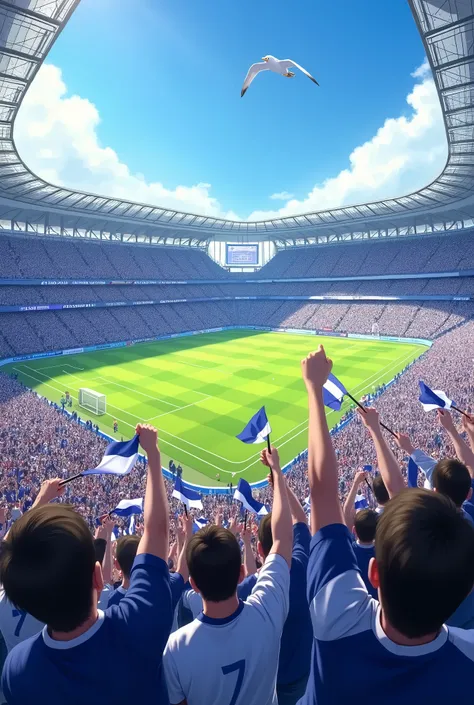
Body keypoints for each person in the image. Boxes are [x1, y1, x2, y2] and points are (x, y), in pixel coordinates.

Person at [299, 345, 474, 704]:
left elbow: (322, 494)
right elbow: (326, 496)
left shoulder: (338, 618)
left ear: (374, 573)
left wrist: (314, 391)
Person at [0, 424, 174, 705]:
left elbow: (8, 557)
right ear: (98, 576)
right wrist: (153, 455)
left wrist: (40, 501)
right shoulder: (140, 623)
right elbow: (157, 532)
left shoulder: (17, 669)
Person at [164, 446, 293, 705]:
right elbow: (282, 538)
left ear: (194, 585)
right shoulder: (267, 610)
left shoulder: (176, 647)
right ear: (242, 574)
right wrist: (277, 472)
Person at [240, 475, 312, 705]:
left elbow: (252, 579)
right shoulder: (302, 565)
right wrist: (279, 482)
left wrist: (243, 543)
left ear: (259, 547)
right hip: (302, 672)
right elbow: (301, 518)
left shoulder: (249, 589)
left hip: (267, 682)